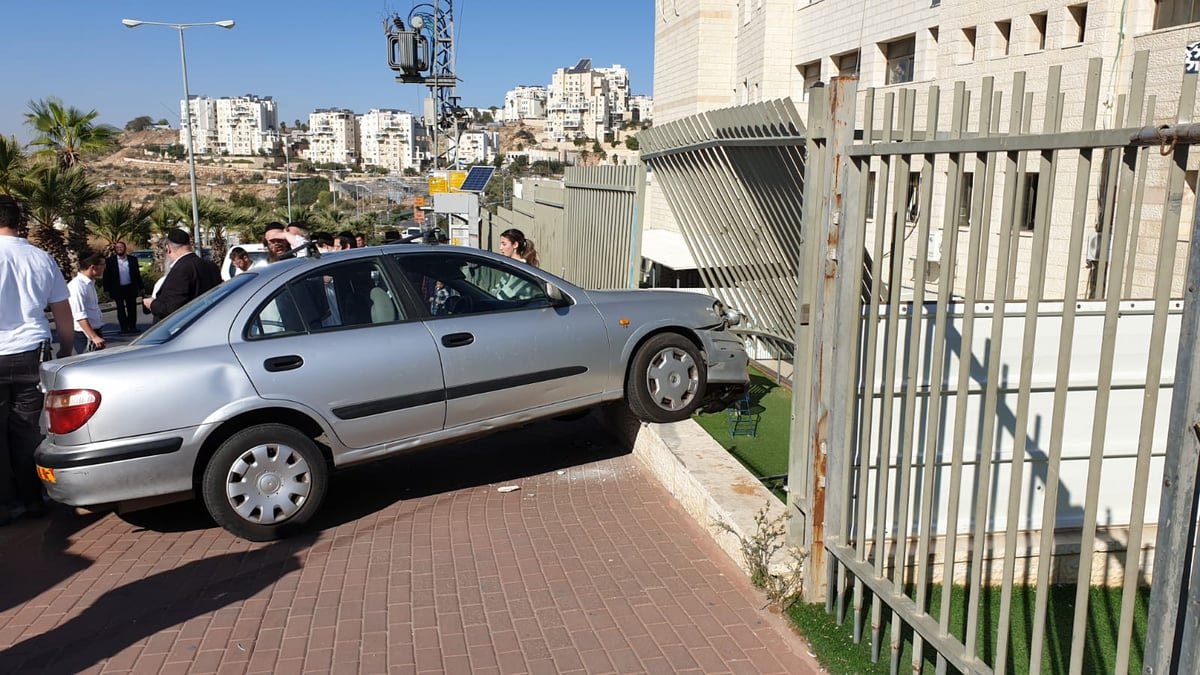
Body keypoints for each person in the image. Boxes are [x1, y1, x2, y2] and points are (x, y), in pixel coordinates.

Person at [0, 194, 74, 524]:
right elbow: (62, 311)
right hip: (32, 351)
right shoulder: (40, 257)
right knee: (28, 431)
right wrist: (67, 350)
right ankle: (33, 499)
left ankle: (6, 503)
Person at [144, 229, 221, 323]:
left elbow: (171, 309)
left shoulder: (180, 271)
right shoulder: (211, 266)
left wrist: (151, 304)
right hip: (208, 323)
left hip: (186, 330)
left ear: (168, 248)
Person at [68, 253, 107, 354]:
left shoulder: (90, 283)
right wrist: (94, 337)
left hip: (95, 330)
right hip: (85, 335)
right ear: (92, 267)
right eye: (103, 265)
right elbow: (80, 315)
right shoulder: (77, 286)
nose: (104, 268)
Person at [102, 241, 144, 334]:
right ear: (115, 249)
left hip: (130, 287)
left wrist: (141, 287)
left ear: (125, 248)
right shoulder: (110, 261)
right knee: (120, 309)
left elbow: (137, 275)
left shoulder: (132, 259)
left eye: (121, 247)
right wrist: (106, 289)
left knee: (132, 308)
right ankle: (124, 328)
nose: (120, 249)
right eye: (118, 247)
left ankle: (132, 326)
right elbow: (106, 276)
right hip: (117, 289)